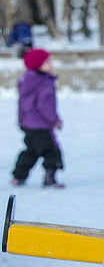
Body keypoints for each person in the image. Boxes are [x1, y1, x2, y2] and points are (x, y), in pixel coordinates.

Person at [10, 48, 64, 188]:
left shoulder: (26, 80)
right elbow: (45, 107)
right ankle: (49, 177)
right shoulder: (43, 83)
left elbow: (21, 104)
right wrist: (54, 120)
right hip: (41, 125)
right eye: (47, 62)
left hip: (29, 125)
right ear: (37, 64)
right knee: (51, 151)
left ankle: (18, 176)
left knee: (31, 151)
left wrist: (21, 121)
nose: (50, 65)